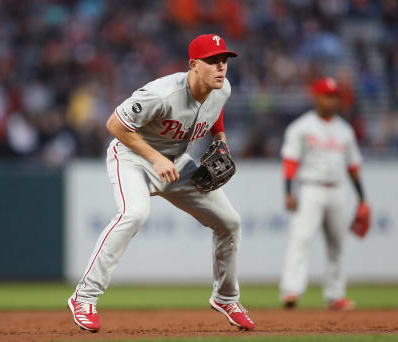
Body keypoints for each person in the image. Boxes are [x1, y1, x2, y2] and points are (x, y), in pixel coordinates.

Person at [67, 34, 255, 332]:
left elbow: (215, 110)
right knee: (134, 214)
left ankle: (226, 297)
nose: (221, 67)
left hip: (176, 163)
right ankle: (84, 296)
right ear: (193, 65)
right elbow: (115, 124)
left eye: (224, 61)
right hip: (133, 158)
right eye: (212, 61)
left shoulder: (223, 89)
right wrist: (154, 158)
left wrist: (221, 139)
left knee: (229, 222)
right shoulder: (162, 93)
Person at [279, 77, 368, 310]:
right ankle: (291, 290)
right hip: (310, 188)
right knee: (301, 239)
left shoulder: (345, 130)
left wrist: (362, 199)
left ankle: (335, 295)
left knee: (337, 244)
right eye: (327, 96)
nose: (331, 100)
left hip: (337, 190)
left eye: (334, 96)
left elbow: (353, 167)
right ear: (317, 97)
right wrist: (289, 192)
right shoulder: (301, 127)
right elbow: (290, 161)